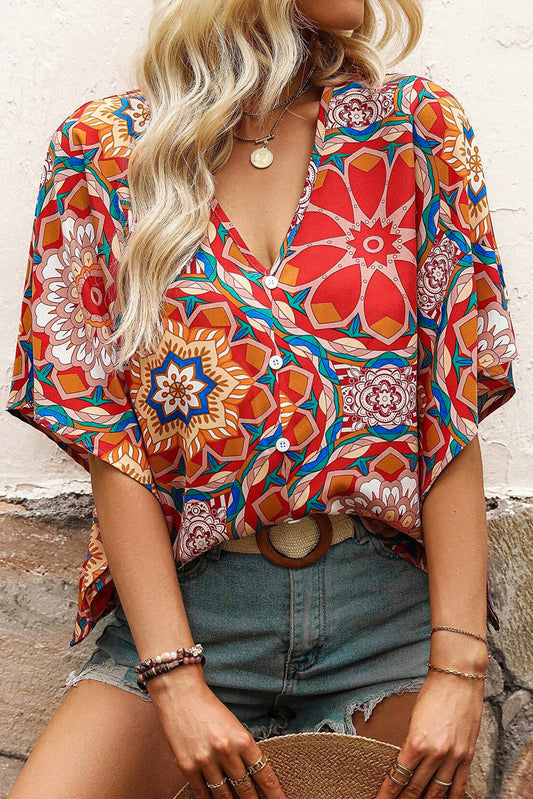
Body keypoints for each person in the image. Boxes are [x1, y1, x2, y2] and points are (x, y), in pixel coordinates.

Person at [5, 0, 518, 798]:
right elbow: (104, 431)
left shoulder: (415, 130)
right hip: (196, 611)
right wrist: (172, 678)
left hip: (386, 616)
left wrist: (456, 668)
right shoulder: (104, 150)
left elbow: (446, 403)